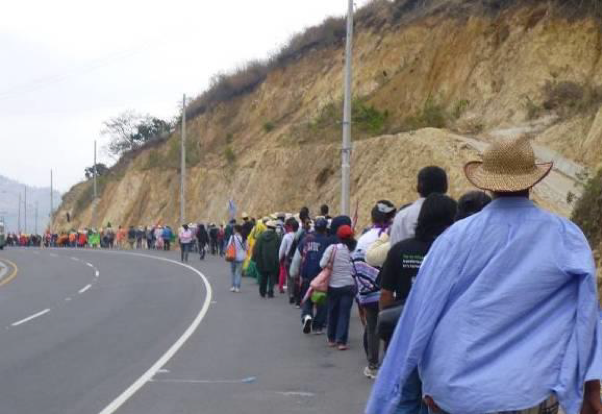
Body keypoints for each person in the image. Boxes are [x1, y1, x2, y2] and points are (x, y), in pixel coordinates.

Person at [367, 136, 602, 414]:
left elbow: (421, 312)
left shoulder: (455, 238)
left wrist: (402, 392)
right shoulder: (565, 237)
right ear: (532, 181)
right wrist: (590, 388)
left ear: (487, 184)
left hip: (458, 392)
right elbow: (587, 315)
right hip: (533, 387)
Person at [352, 200, 396, 380]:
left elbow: (355, 265)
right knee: (390, 327)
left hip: (367, 293)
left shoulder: (363, 238)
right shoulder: (392, 237)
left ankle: (372, 365)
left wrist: (362, 288)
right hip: (388, 292)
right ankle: (390, 365)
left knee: (371, 328)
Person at [389, 166, 448, 246]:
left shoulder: (401, 217)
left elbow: (394, 250)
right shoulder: (454, 213)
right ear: (445, 187)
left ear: (418, 187)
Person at [322, 224, 357, 351]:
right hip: (349, 285)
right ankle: (341, 341)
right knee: (344, 314)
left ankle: (331, 338)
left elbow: (322, 264)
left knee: (332, 311)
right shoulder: (353, 250)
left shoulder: (332, 248)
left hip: (333, 286)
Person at [298, 218, 333, 335]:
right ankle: (317, 326)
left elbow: (299, 254)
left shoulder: (306, 239)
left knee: (307, 298)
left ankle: (307, 315)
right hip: (321, 275)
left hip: (306, 272)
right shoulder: (327, 241)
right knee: (322, 301)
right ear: (325, 229)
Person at [253, 220, 281, 298]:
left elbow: (257, 248)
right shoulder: (276, 237)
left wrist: (255, 258)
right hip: (273, 260)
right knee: (272, 277)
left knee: (263, 276)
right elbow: (279, 248)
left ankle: (262, 291)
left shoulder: (261, 236)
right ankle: (270, 292)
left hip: (262, 260)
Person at [279, 217, 300, 304]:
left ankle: (291, 294)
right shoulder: (301, 235)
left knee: (289, 277)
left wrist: (280, 258)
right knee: (297, 278)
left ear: (290, 226)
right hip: (299, 258)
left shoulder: (286, 236)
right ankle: (297, 294)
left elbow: (282, 249)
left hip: (289, 258)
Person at [227, 224, 247, 292]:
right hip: (241, 257)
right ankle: (237, 287)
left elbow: (228, 246)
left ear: (235, 230)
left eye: (233, 229)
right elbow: (246, 248)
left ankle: (233, 286)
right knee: (238, 272)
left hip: (233, 256)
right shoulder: (244, 237)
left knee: (233, 272)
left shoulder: (232, 237)